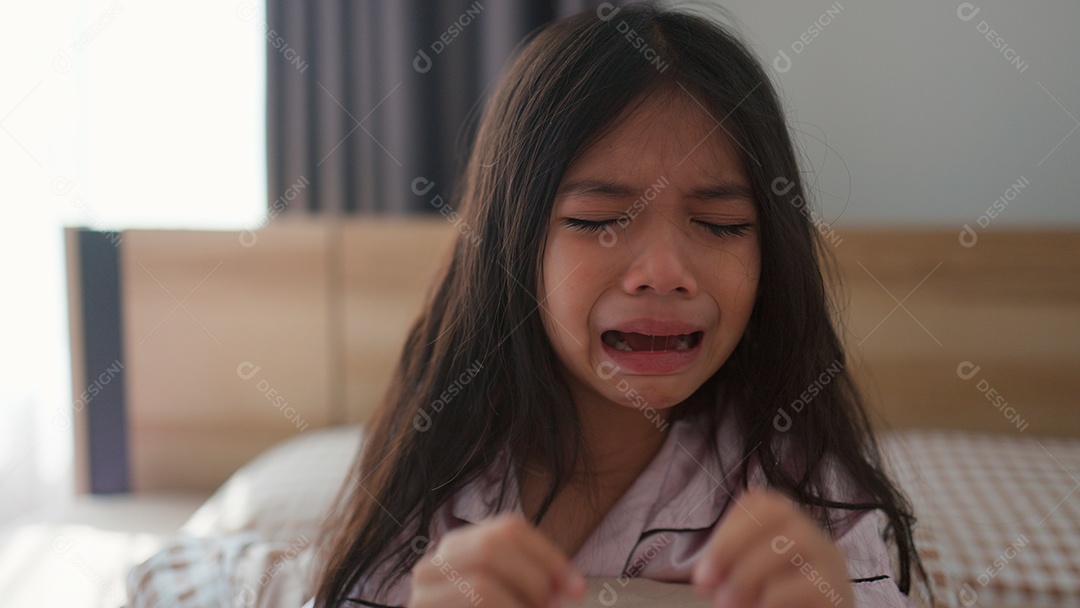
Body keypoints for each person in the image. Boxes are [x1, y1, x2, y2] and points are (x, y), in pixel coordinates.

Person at [311, 3, 928, 608]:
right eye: (598, 219)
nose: (664, 273)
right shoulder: (435, 464)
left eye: (721, 225)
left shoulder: (797, 476)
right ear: (512, 249)